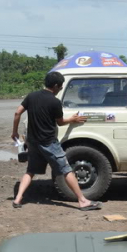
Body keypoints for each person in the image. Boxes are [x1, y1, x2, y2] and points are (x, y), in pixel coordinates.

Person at [11, 71, 103, 211]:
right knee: (66, 170)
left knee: (30, 171)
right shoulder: (55, 102)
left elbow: (17, 112)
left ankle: (17, 199)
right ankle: (83, 201)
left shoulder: (31, 96)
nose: (60, 89)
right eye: (60, 87)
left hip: (33, 142)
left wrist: (14, 132)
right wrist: (72, 119)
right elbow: (60, 122)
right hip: (49, 143)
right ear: (55, 86)